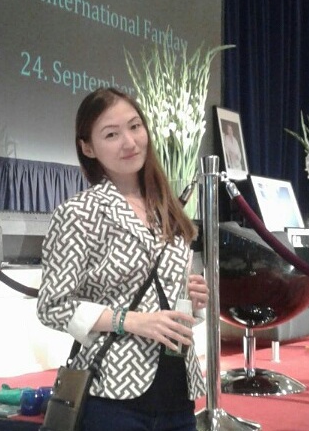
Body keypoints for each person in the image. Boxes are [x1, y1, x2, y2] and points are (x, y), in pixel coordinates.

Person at [37, 87, 209, 431]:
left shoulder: (167, 209)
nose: (129, 142)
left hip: (179, 393)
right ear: (88, 148)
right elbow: (52, 306)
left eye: (134, 127)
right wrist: (131, 321)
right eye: (111, 134)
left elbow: (166, 301)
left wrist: (195, 299)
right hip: (112, 395)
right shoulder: (79, 213)